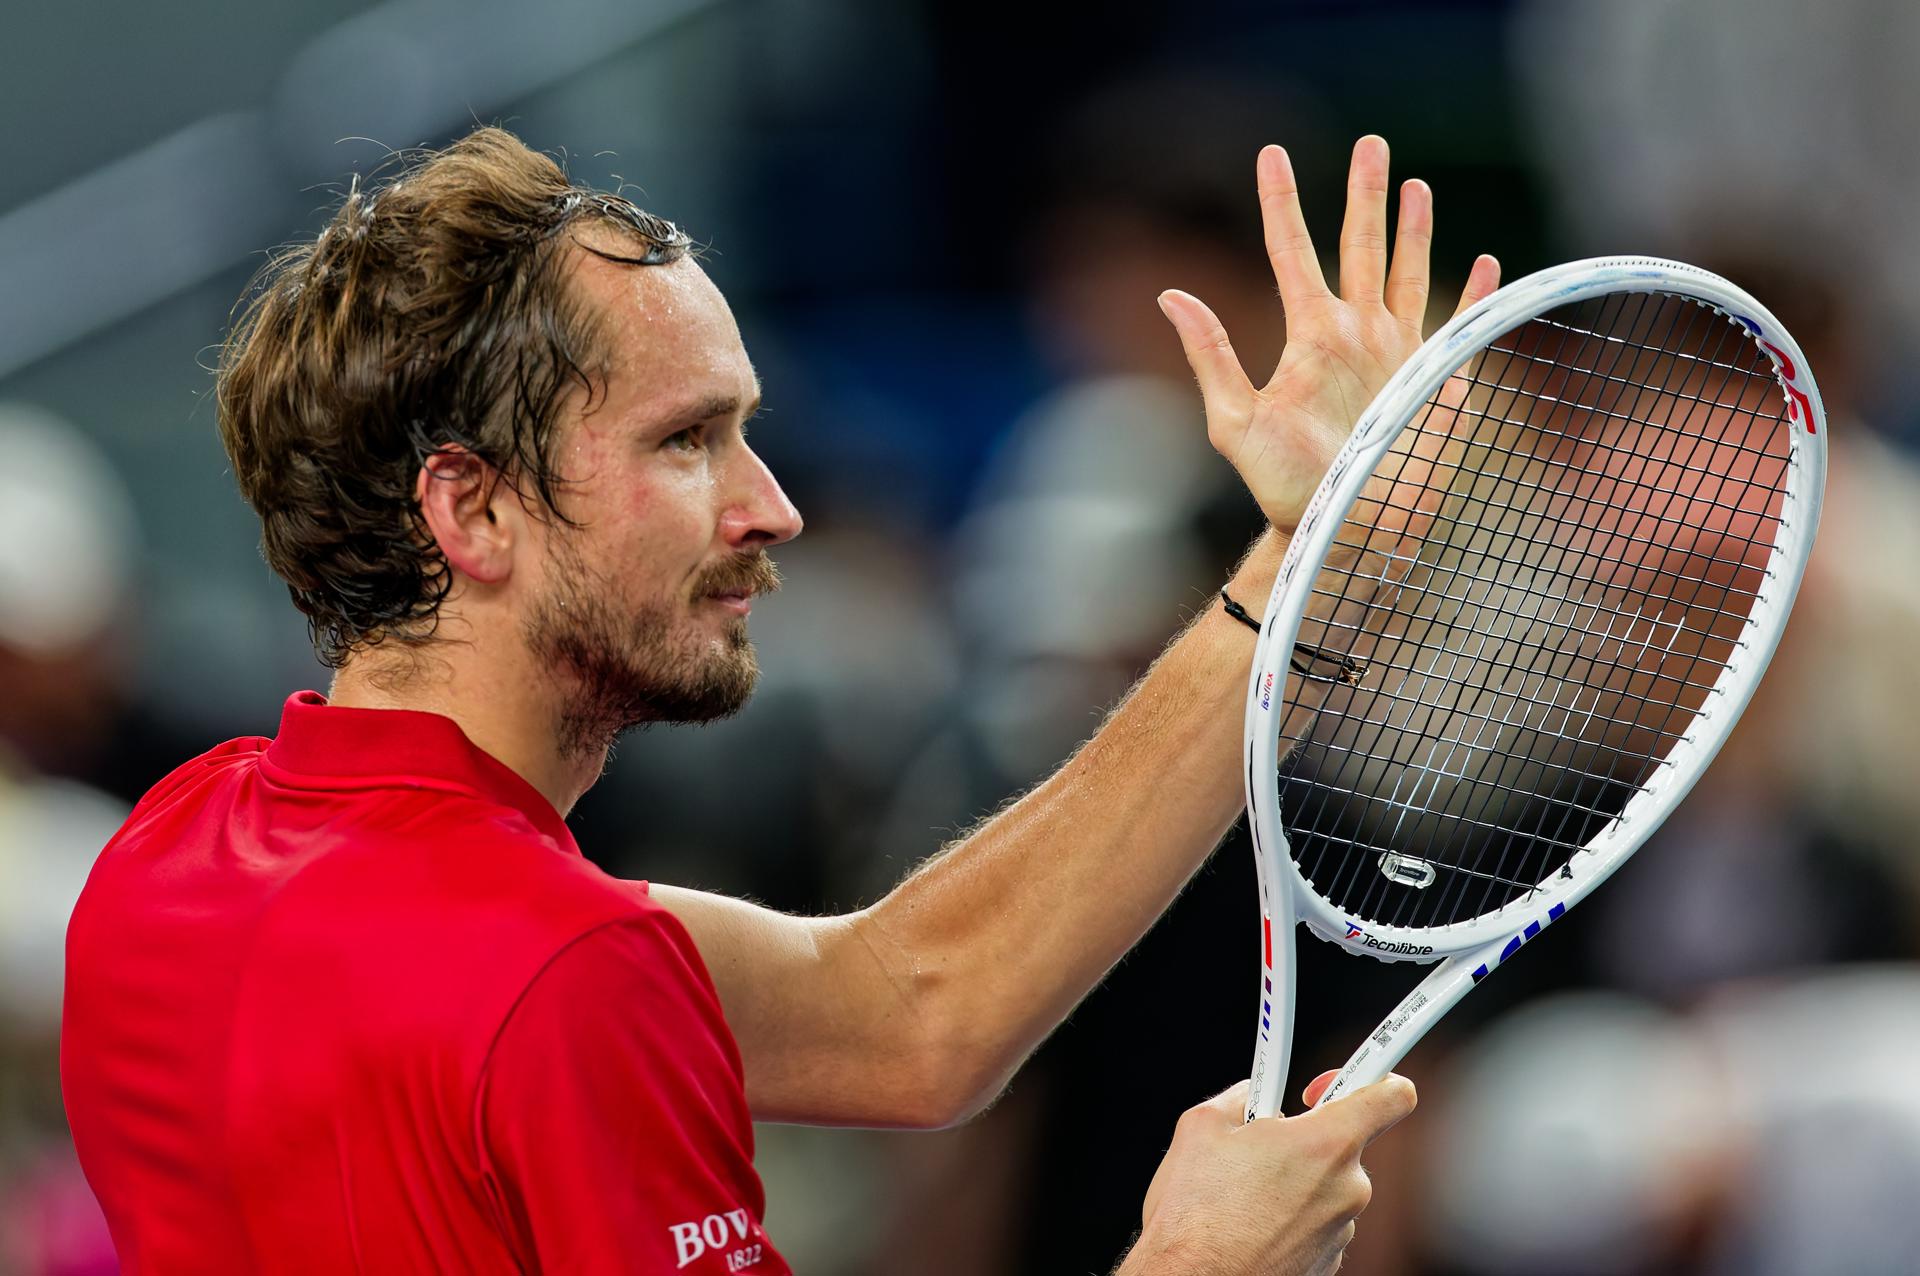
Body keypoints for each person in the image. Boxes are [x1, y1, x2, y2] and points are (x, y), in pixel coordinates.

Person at [59, 125, 1497, 1274]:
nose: (776, 507)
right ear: (472, 508)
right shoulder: (565, 979)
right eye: (689, 441)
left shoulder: (166, 859)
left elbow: (910, 1011)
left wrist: (1303, 557)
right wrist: (1201, 1261)